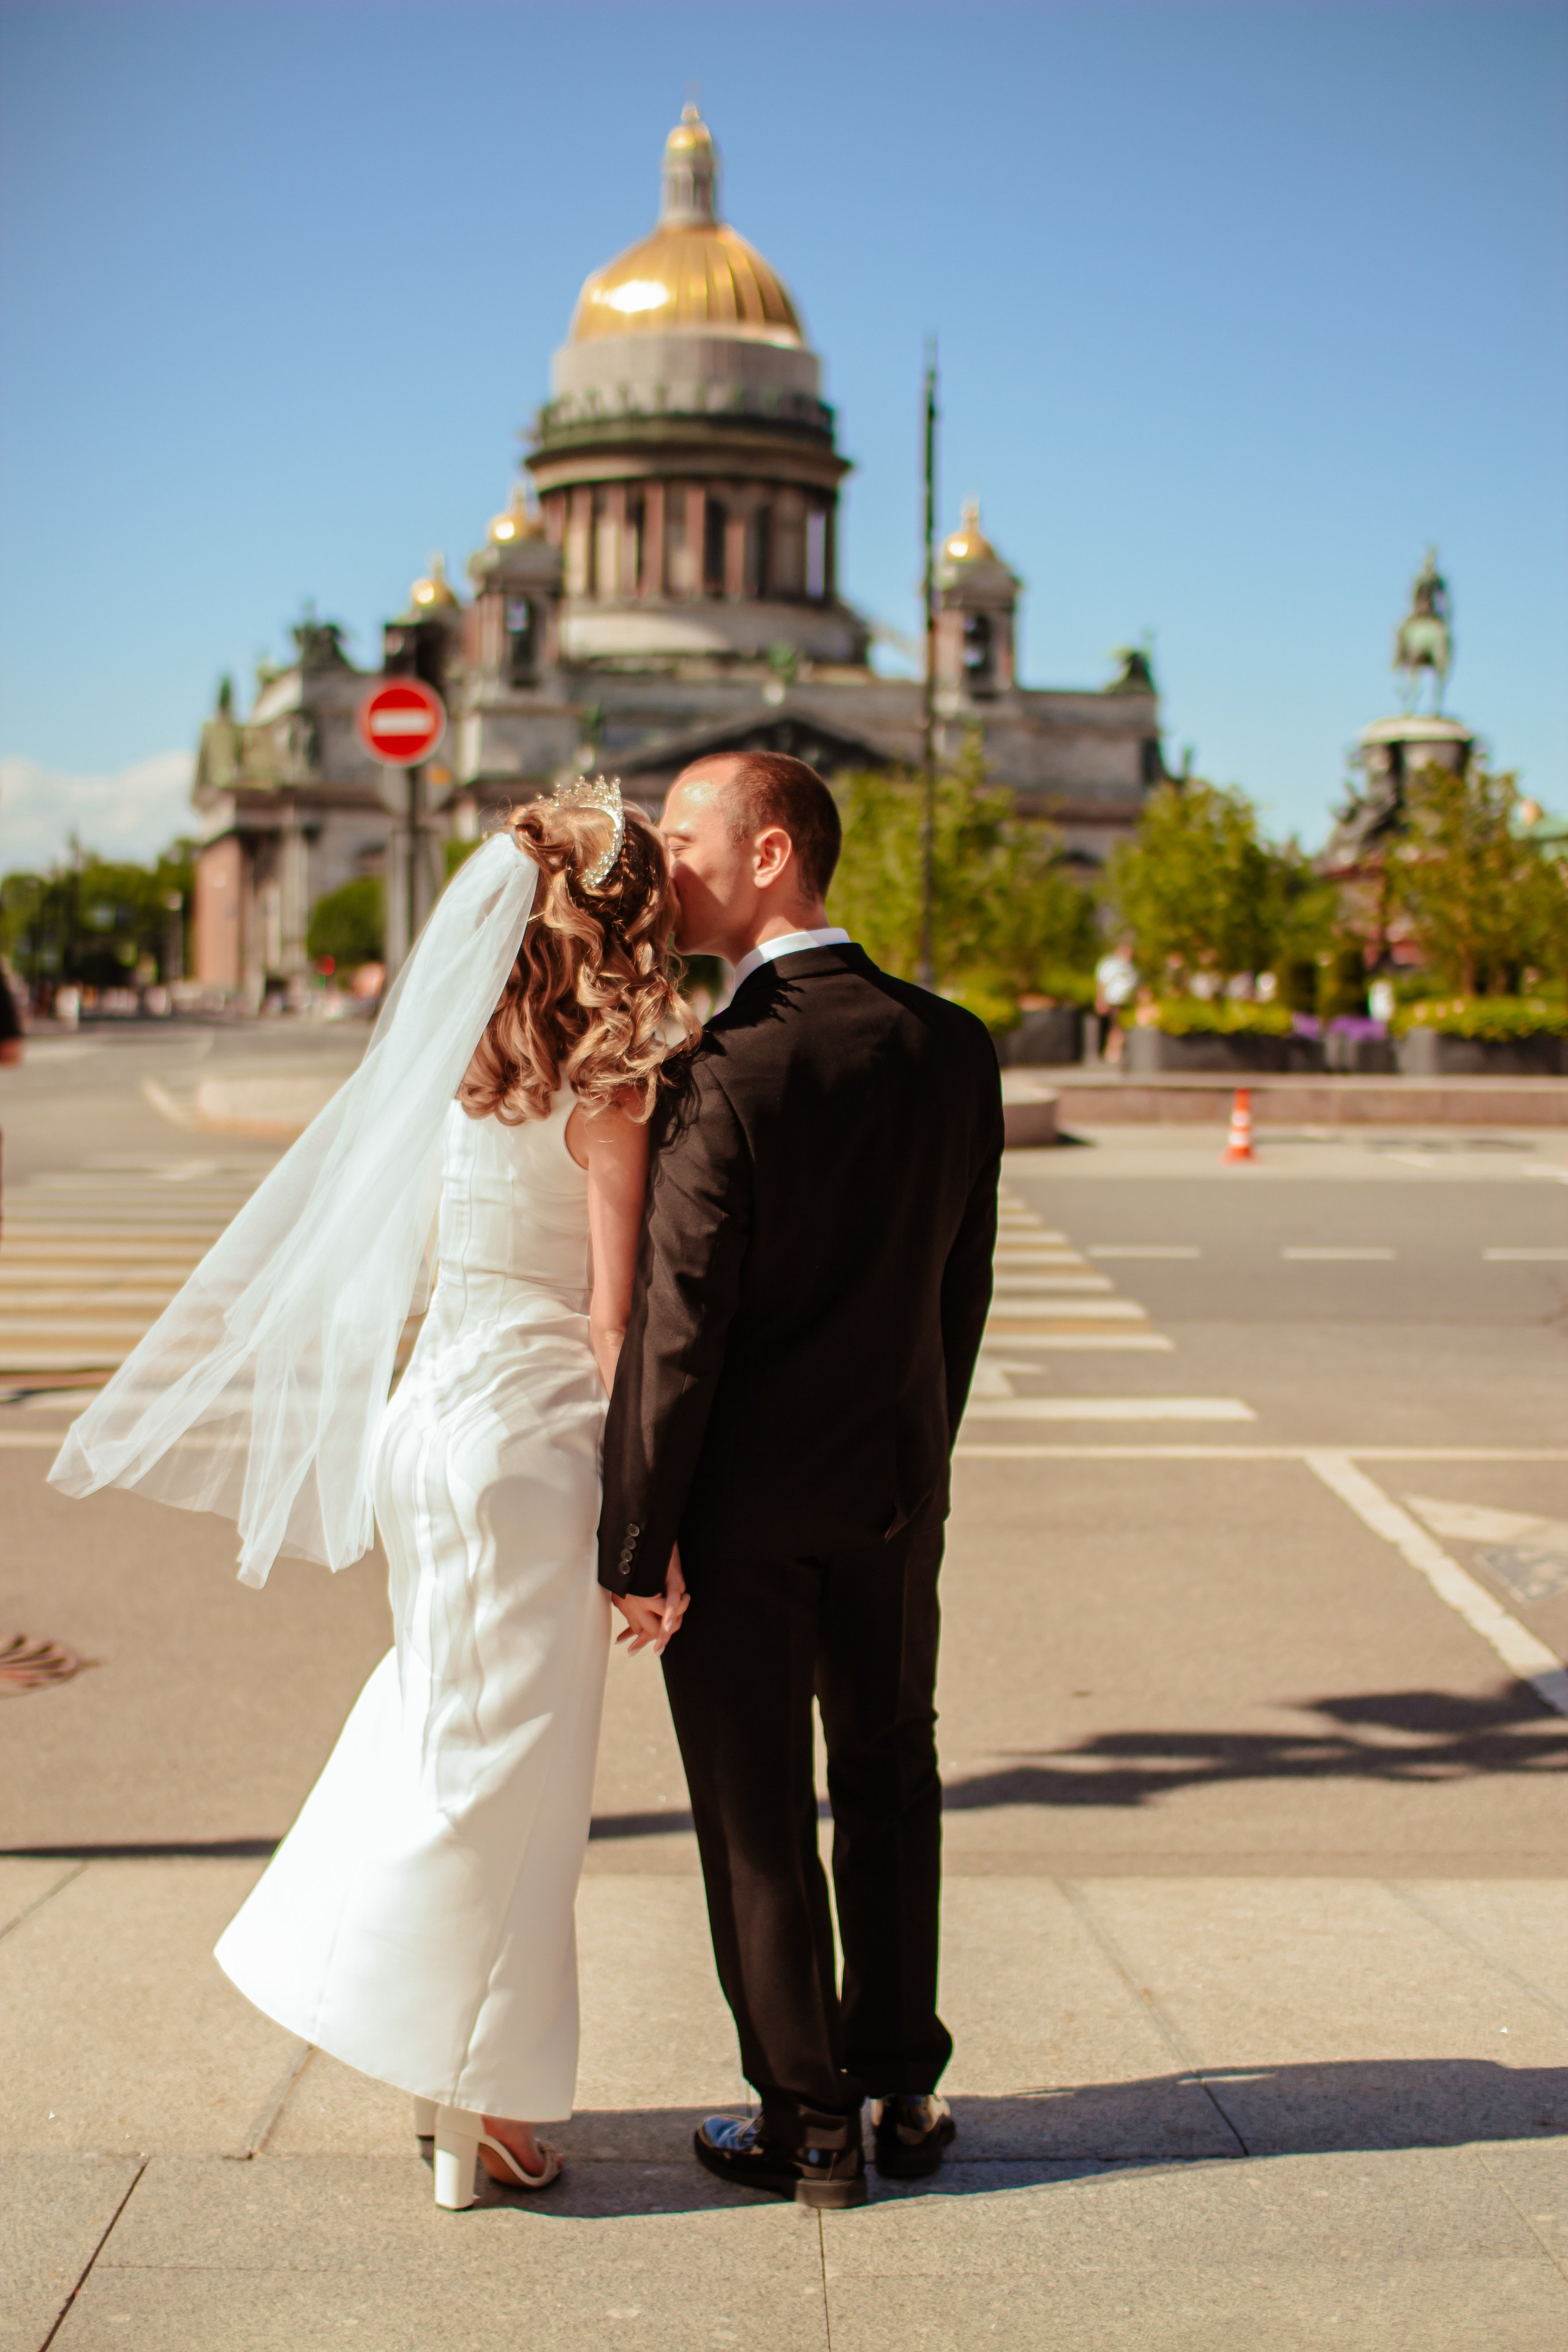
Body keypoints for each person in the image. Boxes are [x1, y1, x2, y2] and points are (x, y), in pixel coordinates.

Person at [50, 782, 693, 2211]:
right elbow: (608, 1322)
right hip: (530, 1445)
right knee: (515, 1790)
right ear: (629, 917)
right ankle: (486, 2103)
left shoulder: (465, 1061)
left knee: (448, 1743)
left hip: (428, 1425)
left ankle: (452, 2088)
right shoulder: (612, 1079)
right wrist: (651, 1524)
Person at [601, 750, 1004, 2210]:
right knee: (892, 1773)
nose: (664, 864)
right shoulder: (953, 1046)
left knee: (756, 1804)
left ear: (770, 854)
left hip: (742, 1513)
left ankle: (804, 2119)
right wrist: (918, 1459)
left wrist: (637, 1535)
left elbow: (677, 1333)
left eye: (686, 838)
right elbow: (956, 1298)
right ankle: (899, 2083)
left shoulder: (722, 1068)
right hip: (896, 1494)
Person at [1093, 937, 1137, 1063]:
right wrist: (1100, 1000)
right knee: (1113, 1027)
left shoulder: (1130, 966)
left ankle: (1116, 1052)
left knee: (1119, 1027)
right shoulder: (1109, 964)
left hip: (1127, 1002)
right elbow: (1101, 982)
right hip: (1112, 1001)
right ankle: (1110, 1053)